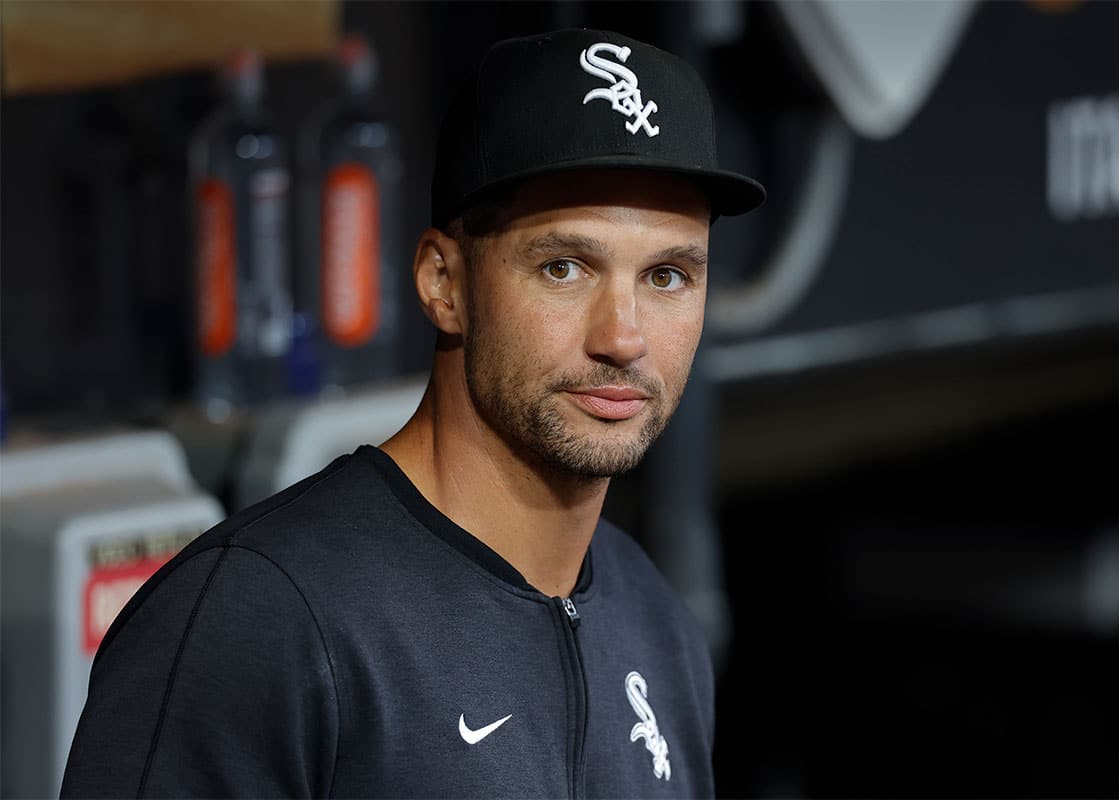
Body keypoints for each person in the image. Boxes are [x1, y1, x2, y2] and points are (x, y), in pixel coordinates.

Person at [61, 27, 763, 798]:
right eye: (564, 267)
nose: (623, 338)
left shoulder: (654, 620)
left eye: (667, 277)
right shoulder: (260, 617)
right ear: (443, 282)